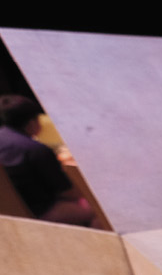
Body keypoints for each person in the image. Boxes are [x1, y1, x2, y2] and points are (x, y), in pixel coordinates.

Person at [0, 95, 94, 226]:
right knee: (96, 210)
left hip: (8, 211)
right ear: (32, 122)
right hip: (39, 211)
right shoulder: (35, 150)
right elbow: (67, 192)